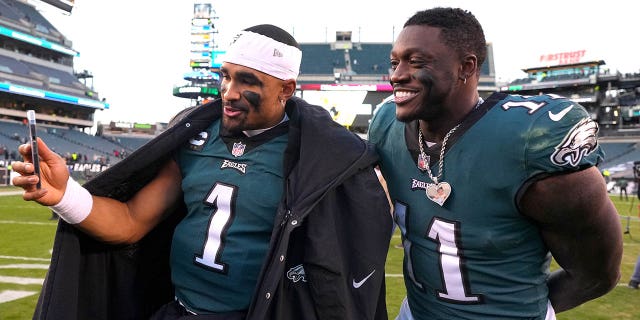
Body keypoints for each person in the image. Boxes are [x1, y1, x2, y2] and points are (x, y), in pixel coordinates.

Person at [13, 24, 393, 320]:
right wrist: (64, 195)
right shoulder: (196, 139)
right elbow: (130, 221)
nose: (228, 91)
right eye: (226, 76)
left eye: (248, 81)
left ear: (286, 89)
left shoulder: (316, 156)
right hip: (178, 309)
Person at [368, 7, 623, 320]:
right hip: (416, 313)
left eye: (416, 61)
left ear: (466, 67)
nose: (396, 75)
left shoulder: (527, 142)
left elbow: (597, 275)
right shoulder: (386, 125)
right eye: (395, 62)